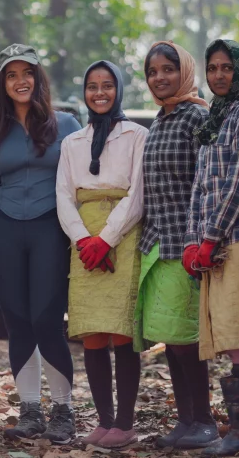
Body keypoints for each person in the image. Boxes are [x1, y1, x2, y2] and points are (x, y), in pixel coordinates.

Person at [0, 44, 81, 445]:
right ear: (3, 83)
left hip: (51, 229)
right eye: (12, 75)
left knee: (47, 319)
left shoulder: (66, 124)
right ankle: (30, 411)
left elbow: (79, 183)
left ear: (38, 77)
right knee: (17, 322)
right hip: (6, 232)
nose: (21, 81)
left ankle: (63, 411)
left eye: (27, 72)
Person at [181, 40, 239, 456]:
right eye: (213, 68)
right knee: (234, 333)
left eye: (227, 67)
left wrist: (211, 236)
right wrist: (192, 240)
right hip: (212, 246)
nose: (219, 75)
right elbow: (200, 186)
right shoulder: (214, 117)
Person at [56, 61, 147, 449]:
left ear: (118, 89)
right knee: (92, 330)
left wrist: (106, 239)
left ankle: (124, 423)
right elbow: (63, 196)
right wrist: (83, 240)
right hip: (83, 239)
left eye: (107, 85)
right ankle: (104, 421)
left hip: (122, 236)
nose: (99, 93)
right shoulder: (72, 142)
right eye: (92, 86)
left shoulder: (137, 135)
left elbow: (138, 194)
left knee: (120, 327)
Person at [133, 41, 217, 450]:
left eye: (167, 69)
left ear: (183, 71)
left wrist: (202, 240)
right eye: (152, 72)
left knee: (186, 338)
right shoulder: (160, 119)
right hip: (157, 244)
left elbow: (209, 181)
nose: (159, 77)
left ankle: (205, 421)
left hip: (186, 244)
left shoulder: (197, 116)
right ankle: (185, 420)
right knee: (171, 337)